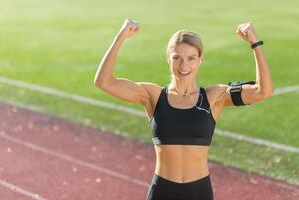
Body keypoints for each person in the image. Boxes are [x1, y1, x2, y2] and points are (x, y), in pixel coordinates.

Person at [94, 18, 274, 200]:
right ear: (168, 58)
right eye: (177, 58)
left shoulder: (214, 97)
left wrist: (254, 43)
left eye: (191, 58)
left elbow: (263, 91)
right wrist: (120, 36)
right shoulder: (153, 96)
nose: (184, 66)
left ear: (200, 59)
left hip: (199, 192)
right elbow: (104, 82)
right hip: (162, 192)